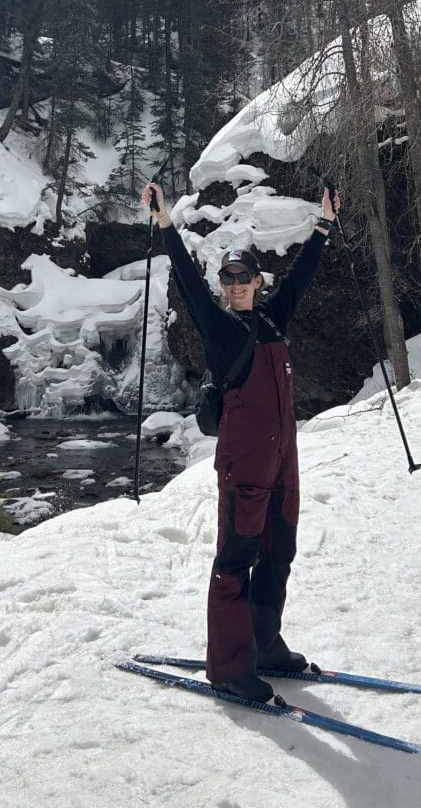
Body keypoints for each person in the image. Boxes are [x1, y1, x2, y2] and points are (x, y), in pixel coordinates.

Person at [141, 180, 341, 702]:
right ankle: (231, 667)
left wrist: (324, 224)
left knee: (279, 555)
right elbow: (186, 280)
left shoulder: (274, 319)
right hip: (244, 471)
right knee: (235, 563)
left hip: (282, 467)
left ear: (257, 280)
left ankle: (264, 645)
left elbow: (303, 273)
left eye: (242, 277)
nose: (233, 286)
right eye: (227, 279)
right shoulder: (220, 329)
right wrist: (165, 224)